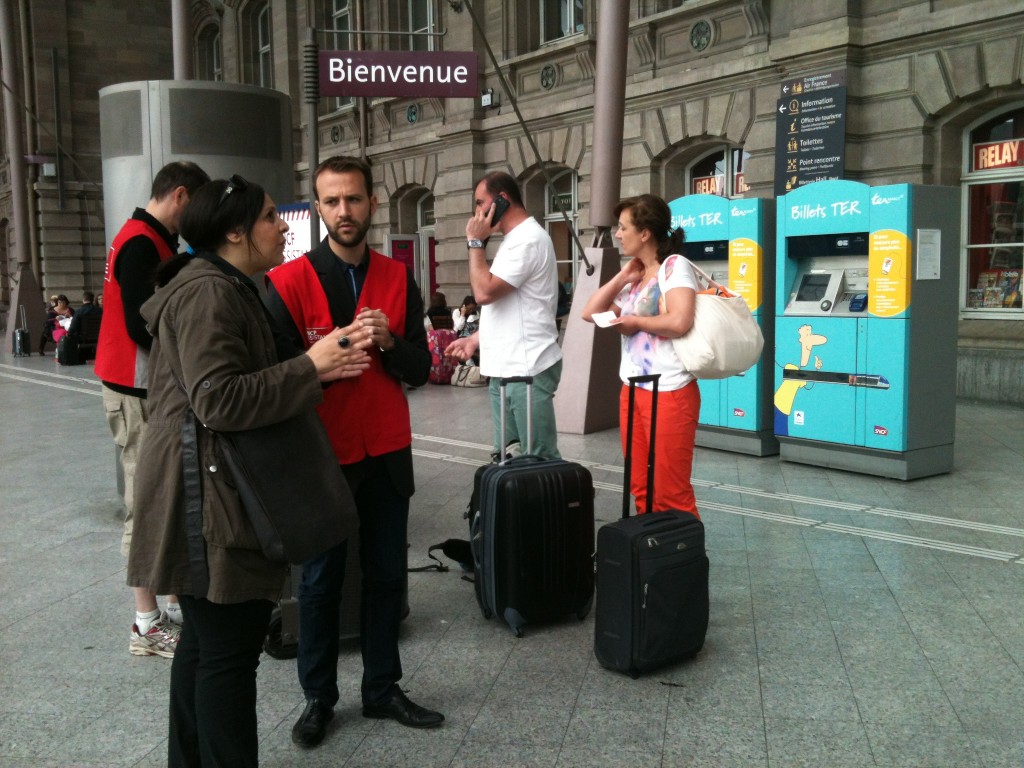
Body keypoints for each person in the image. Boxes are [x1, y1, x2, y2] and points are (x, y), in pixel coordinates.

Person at [126, 175, 365, 768]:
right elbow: (218, 399)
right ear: (234, 231)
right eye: (267, 217)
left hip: (196, 490)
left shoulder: (219, 285)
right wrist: (310, 366)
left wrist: (316, 366)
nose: (282, 225)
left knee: (206, 648)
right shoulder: (211, 292)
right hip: (208, 500)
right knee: (227, 655)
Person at [265, 155, 444, 747]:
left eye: (355, 199)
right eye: (333, 201)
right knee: (319, 581)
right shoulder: (287, 283)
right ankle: (318, 697)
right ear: (318, 208)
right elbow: (276, 376)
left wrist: (391, 341)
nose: (345, 211)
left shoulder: (397, 277)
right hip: (323, 456)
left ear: (372, 203)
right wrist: (326, 361)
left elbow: (420, 368)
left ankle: (382, 688)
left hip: (387, 450)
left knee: (388, 574)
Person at [94, 160, 210, 657]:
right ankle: (146, 623)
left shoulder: (150, 238)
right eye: (197, 206)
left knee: (159, 497)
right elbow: (143, 323)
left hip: (143, 390)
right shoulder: (142, 241)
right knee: (145, 504)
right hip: (134, 389)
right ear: (180, 197)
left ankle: (162, 604)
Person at [581, 193, 701, 517]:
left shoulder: (675, 268)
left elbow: (679, 320)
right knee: (641, 486)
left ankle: (680, 561)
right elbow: (589, 312)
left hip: (670, 391)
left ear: (645, 233)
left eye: (623, 227)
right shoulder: (637, 277)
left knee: (671, 491)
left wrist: (634, 322)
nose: (618, 234)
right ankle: (650, 556)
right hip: (633, 390)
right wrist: (622, 276)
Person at [445, 171, 563, 461]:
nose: (477, 214)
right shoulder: (514, 240)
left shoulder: (528, 239)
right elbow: (510, 307)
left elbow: (484, 292)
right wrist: (475, 338)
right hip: (505, 369)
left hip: (527, 369)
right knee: (508, 456)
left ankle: (550, 506)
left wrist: (475, 243)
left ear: (502, 199)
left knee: (538, 460)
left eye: (480, 203)